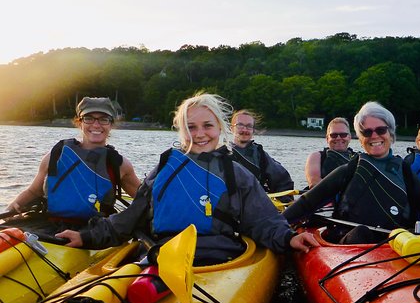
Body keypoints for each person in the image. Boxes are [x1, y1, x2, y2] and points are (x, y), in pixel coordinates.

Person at [56, 93, 319, 264]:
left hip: (216, 257)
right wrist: (87, 236)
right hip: (164, 255)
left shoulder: (236, 173)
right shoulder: (163, 169)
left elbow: (263, 220)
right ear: (182, 130)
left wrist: (288, 238)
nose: (200, 134)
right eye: (191, 127)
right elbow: (129, 218)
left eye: (207, 126)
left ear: (220, 128)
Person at [283, 101, 420, 246]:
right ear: (360, 139)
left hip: (396, 246)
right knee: (360, 233)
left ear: (391, 134)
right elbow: (307, 203)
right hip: (349, 245)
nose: (374, 136)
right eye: (367, 132)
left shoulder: (405, 172)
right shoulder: (349, 170)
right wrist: (279, 229)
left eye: (381, 129)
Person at [6, 97, 141, 225]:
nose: (96, 125)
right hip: (50, 226)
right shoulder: (56, 155)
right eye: (88, 118)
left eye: (103, 119)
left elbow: (145, 200)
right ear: (79, 122)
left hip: (94, 232)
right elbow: (34, 191)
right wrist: (13, 206)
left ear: (111, 124)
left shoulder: (120, 165)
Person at [230, 110, 295, 197]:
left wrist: (284, 200)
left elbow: (282, 179)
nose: (245, 130)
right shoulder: (221, 153)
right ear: (231, 128)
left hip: (254, 203)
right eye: (240, 125)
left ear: (253, 130)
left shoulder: (260, 154)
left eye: (249, 126)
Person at [304, 117, 356, 189]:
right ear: (327, 138)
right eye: (333, 135)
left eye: (343, 134)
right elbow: (314, 182)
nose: (338, 138)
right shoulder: (317, 157)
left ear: (349, 137)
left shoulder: (359, 158)